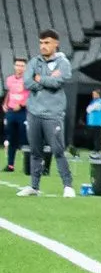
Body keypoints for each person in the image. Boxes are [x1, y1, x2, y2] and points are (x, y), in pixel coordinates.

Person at [16, 32, 74, 197]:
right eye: (41, 42)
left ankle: (67, 186)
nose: (43, 46)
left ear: (56, 43)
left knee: (58, 150)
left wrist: (40, 78)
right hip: (34, 112)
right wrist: (46, 79)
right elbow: (27, 82)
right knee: (35, 151)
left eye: (47, 42)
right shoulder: (34, 61)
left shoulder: (63, 63)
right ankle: (34, 186)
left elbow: (59, 82)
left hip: (53, 114)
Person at [3, 57, 26, 173]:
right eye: (17, 65)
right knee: (11, 138)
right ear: (14, 66)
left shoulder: (28, 80)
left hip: (23, 112)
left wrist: (22, 105)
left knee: (26, 139)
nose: (19, 68)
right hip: (11, 111)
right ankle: (10, 165)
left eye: (22, 66)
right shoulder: (10, 79)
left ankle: (30, 166)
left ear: (25, 67)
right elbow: (10, 92)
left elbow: (32, 95)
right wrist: (5, 103)